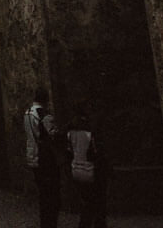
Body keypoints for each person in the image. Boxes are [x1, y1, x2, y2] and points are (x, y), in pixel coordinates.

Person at [24, 88, 61, 228]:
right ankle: (50, 223)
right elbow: (53, 135)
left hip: (33, 155)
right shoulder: (43, 115)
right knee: (51, 194)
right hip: (45, 158)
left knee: (43, 193)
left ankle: (45, 223)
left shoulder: (27, 113)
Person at [66, 113, 109, 228]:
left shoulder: (70, 133)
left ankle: (86, 224)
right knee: (96, 202)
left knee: (87, 202)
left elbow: (69, 151)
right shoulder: (89, 133)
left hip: (76, 169)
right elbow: (95, 153)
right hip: (90, 169)